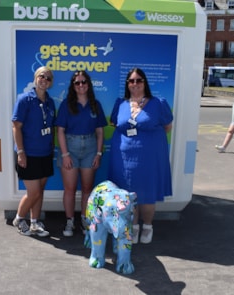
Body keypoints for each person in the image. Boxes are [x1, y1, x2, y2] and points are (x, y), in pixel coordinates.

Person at [108, 68, 173, 244]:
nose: (135, 84)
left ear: (145, 83)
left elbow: (167, 127)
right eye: (131, 81)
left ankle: (148, 226)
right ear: (127, 84)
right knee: (128, 194)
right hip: (123, 159)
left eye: (139, 80)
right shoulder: (120, 103)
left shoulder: (158, 103)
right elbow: (116, 124)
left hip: (149, 159)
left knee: (147, 193)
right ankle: (134, 226)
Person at [56, 71, 107, 237]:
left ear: (89, 84)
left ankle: (85, 219)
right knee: (70, 189)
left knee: (87, 188)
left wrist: (98, 153)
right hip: (70, 147)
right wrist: (65, 155)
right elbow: (60, 131)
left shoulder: (95, 104)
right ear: (73, 86)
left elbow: (100, 132)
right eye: (77, 83)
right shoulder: (66, 104)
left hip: (91, 148)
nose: (81, 85)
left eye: (84, 82)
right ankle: (70, 221)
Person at [11, 66, 56, 237]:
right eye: (42, 76)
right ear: (36, 78)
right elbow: (16, 127)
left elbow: (50, 126)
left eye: (48, 78)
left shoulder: (50, 102)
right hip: (28, 154)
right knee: (34, 192)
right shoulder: (24, 100)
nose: (44, 80)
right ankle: (19, 218)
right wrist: (21, 152)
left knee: (40, 191)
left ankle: (35, 222)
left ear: (51, 82)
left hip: (45, 153)